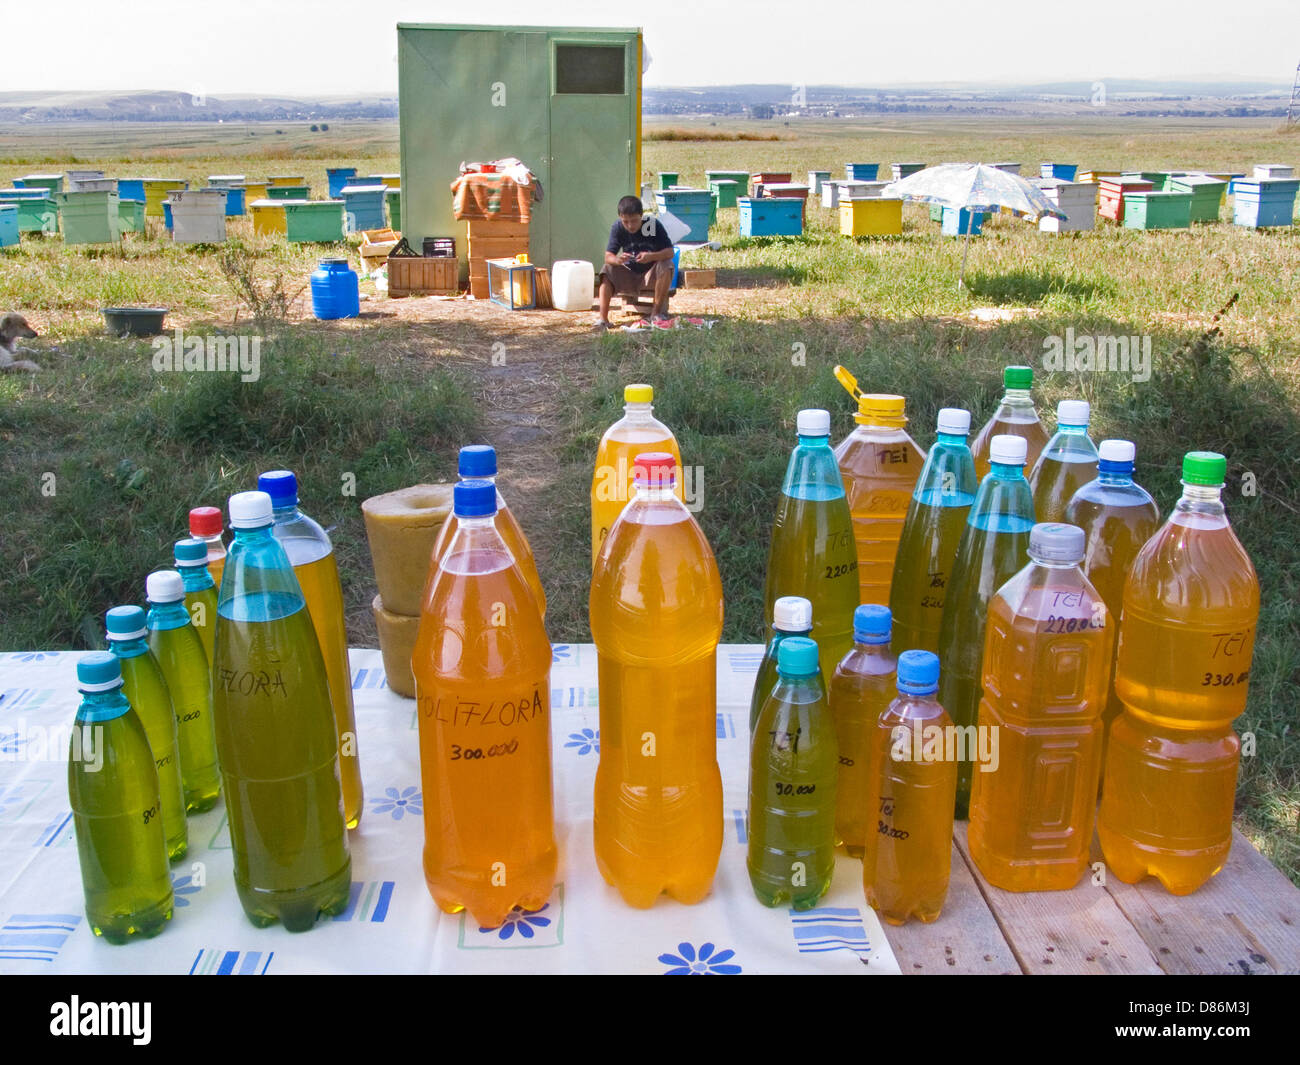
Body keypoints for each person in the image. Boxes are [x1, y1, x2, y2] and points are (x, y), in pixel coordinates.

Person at [596, 195, 675, 331]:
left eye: (634, 221)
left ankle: (655, 314)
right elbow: (608, 256)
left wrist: (651, 256)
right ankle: (603, 319)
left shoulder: (653, 225)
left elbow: (670, 252)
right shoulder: (617, 227)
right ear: (620, 218)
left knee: (666, 265)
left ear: (642, 215)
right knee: (607, 269)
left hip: (650, 275)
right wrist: (617, 260)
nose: (630, 226)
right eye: (625, 221)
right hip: (628, 274)